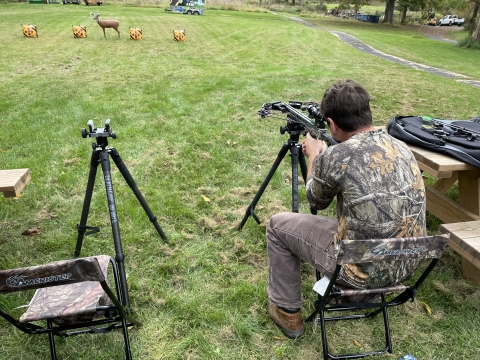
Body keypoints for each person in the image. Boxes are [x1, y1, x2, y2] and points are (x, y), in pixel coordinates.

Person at [266, 79, 426, 339]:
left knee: (276, 225)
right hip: (407, 263)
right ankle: (367, 291)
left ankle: (287, 312)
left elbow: (316, 201)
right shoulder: (401, 145)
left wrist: (315, 157)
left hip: (359, 266)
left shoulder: (336, 157)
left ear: (331, 124)